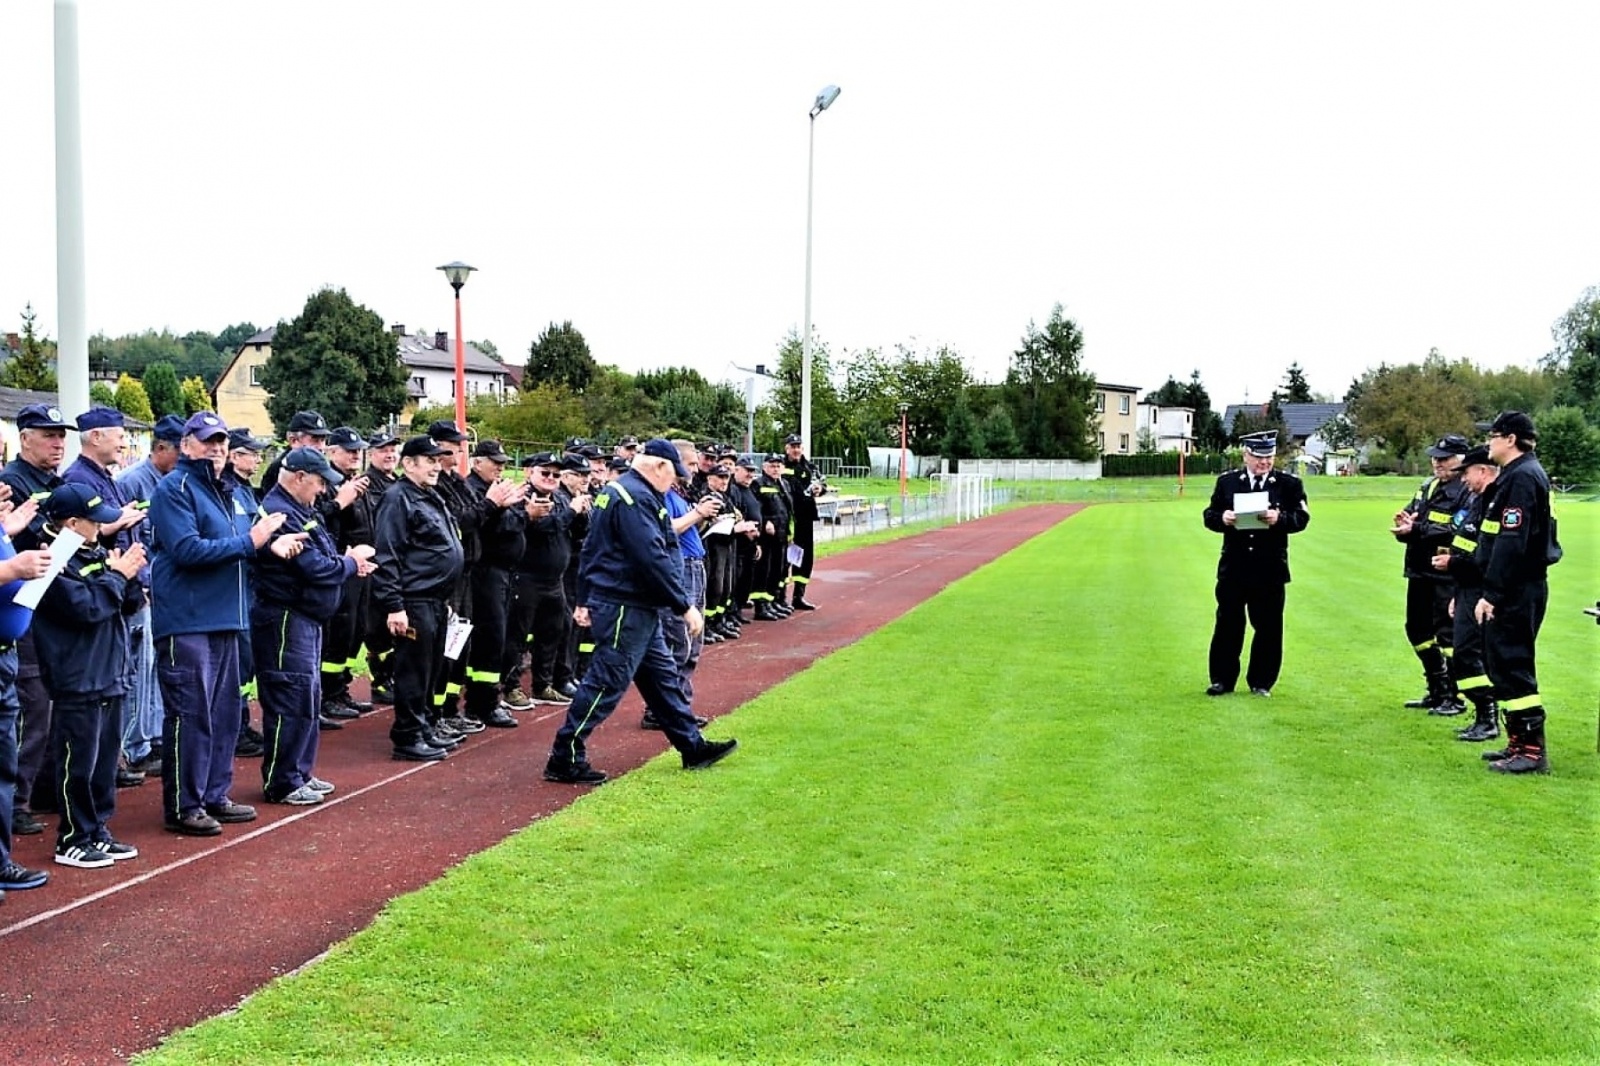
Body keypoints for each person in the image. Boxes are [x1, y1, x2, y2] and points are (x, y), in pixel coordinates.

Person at [544, 439, 738, 784]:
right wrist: (684, 605)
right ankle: (565, 756)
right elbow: (651, 556)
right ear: (659, 467)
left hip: (635, 605)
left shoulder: (629, 492)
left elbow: (593, 548)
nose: (676, 481)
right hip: (624, 606)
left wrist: (585, 599)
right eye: (674, 474)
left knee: (663, 682)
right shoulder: (634, 498)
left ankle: (692, 747)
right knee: (606, 683)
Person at [150, 412, 294, 835]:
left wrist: (270, 544)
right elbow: (188, 550)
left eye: (222, 441)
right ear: (187, 444)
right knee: (190, 713)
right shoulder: (173, 488)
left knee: (225, 712)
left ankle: (214, 792)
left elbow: (241, 545)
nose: (216, 448)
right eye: (207, 440)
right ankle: (184, 804)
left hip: (228, 617)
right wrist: (252, 541)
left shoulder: (226, 489)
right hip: (188, 619)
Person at [34, 485, 146, 868]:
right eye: (94, 521)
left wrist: (129, 578)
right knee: (77, 763)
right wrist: (116, 578)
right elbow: (85, 608)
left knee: (104, 761)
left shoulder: (92, 550)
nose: (101, 527)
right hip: (76, 676)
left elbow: (125, 604)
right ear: (71, 523)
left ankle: (97, 829)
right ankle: (73, 838)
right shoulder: (48, 558)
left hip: (109, 671)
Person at [254, 448, 373, 805]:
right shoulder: (280, 512)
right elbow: (315, 568)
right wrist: (349, 564)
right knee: (290, 696)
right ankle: (283, 780)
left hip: (305, 618)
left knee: (306, 697)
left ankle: (299, 772)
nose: (322, 490)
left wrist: (344, 563)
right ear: (299, 477)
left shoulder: (300, 508)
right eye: (319, 482)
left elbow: (323, 557)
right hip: (286, 617)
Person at [62, 406, 151, 787]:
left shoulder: (105, 476)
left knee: (125, 678)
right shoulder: (78, 481)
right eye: (118, 434)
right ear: (95, 436)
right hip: (104, 594)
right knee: (105, 690)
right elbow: (88, 545)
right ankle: (112, 762)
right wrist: (117, 525)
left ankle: (117, 758)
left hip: (122, 589)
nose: (124, 442)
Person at [1473, 411, 1558, 774]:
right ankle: (1516, 743)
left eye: (1492, 436)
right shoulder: (1516, 475)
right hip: (1514, 586)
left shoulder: (1523, 477)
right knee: (1502, 663)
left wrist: (1491, 593)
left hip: (1517, 588)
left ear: (1510, 439)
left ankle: (1532, 751)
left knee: (1513, 663)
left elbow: (1512, 541)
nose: (1487, 442)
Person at [370, 436, 465, 761]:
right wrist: (394, 605)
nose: (436, 466)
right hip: (414, 600)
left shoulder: (428, 496)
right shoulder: (398, 498)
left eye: (438, 461)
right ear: (408, 463)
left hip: (435, 599)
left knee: (431, 669)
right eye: (429, 460)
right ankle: (408, 736)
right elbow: (389, 554)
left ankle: (424, 727)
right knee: (413, 670)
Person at [0, 403, 71, 838]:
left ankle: (37, 789)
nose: (58, 442)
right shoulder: (13, 481)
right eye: (48, 434)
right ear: (25, 437)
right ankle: (17, 801)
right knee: (30, 707)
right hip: (18, 606)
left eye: (61, 434)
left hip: (40, 606)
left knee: (46, 702)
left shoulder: (54, 481)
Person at [1202, 431, 1311, 697]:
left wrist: (1280, 518)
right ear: (1245, 455)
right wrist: (1223, 518)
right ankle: (1222, 680)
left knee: (1269, 627)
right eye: (1258, 457)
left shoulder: (1288, 485)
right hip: (1234, 568)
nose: (1264, 463)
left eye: (1269, 457)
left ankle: (1261, 682)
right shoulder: (1228, 483)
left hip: (1269, 568)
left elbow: (1302, 518)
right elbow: (1209, 515)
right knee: (1228, 624)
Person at [114, 413, 184, 780]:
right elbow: (128, 539)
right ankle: (134, 746)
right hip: (139, 587)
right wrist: (144, 581)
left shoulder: (177, 483)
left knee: (158, 666)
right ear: (161, 448)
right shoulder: (131, 483)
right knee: (138, 669)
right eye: (180, 448)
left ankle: (153, 736)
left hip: (165, 587)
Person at [1390, 434, 1473, 714]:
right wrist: (1404, 525)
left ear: (1461, 460)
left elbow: (1459, 530)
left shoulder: (1468, 490)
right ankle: (1436, 689)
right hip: (1419, 568)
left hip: (1447, 573)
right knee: (1417, 630)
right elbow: (1413, 516)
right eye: (1435, 457)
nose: (1437, 463)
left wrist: (1417, 530)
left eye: (1444, 458)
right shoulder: (1428, 486)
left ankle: (1455, 695)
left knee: (1448, 636)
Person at [0, 501, 56, 897]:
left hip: (5, 655)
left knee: (4, 769)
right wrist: (11, 569)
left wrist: (6, 532)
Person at [1431, 445, 1500, 743]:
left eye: (1467, 472)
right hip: (1466, 587)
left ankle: (1488, 715)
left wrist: (1453, 563)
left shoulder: (1494, 503)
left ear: (1483, 471)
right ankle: (1483, 715)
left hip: (1481, 588)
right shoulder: (1479, 500)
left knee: (1469, 654)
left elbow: (1489, 554)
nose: (1464, 479)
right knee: (1464, 653)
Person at [462, 439, 527, 730]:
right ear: (477, 462)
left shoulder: (498, 488)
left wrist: (515, 511)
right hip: (485, 571)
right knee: (490, 638)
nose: (500, 466)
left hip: (504, 572)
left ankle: (486, 698)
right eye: (494, 461)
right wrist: (499, 507)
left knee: (498, 637)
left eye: (502, 461)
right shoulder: (474, 489)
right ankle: (483, 703)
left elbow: (516, 521)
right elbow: (492, 527)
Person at [222, 428, 270, 756]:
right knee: (236, 662)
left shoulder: (244, 490)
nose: (258, 458)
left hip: (250, 585)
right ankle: (233, 728)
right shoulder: (228, 490)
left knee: (246, 662)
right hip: (235, 586)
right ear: (235, 456)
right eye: (252, 453)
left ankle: (239, 724)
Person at [779, 433, 824, 610]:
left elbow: (823, 482)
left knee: (804, 558)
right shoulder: (780, 466)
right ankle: (779, 597)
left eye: (799, 446)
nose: (796, 449)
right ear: (787, 448)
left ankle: (799, 596)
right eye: (793, 446)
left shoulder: (810, 467)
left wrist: (821, 489)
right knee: (784, 558)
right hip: (787, 519)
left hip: (805, 519)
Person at [753, 454, 792, 620]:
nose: (776, 469)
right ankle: (761, 606)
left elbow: (787, 509)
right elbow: (755, 508)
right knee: (764, 571)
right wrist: (766, 522)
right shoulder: (759, 484)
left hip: (781, 534)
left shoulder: (783, 484)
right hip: (766, 537)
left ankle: (773, 601)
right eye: (772, 466)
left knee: (778, 570)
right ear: (764, 467)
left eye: (778, 466)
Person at [258, 410, 332, 492]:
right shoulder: (282, 469)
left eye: (323, 440)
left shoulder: (320, 466)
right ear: (293, 441)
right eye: (315, 440)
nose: (321, 447)